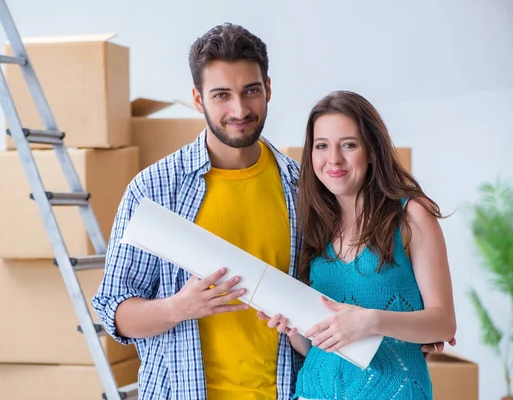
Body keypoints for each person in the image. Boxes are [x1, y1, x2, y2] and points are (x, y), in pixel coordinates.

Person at [92, 23, 448, 400]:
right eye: (221, 95)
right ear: (198, 99)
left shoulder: (305, 189)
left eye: (251, 91)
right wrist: (179, 307)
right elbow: (114, 312)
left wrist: (409, 334)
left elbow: (339, 293)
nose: (239, 109)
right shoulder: (155, 189)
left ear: (269, 90)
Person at [260, 90, 457, 400]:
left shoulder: (410, 216)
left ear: (372, 150)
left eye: (348, 145)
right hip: (313, 392)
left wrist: (370, 321)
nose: (333, 159)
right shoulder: (314, 225)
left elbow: (443, 323)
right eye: (322, 146)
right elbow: (319, 344)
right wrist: (293, 326)